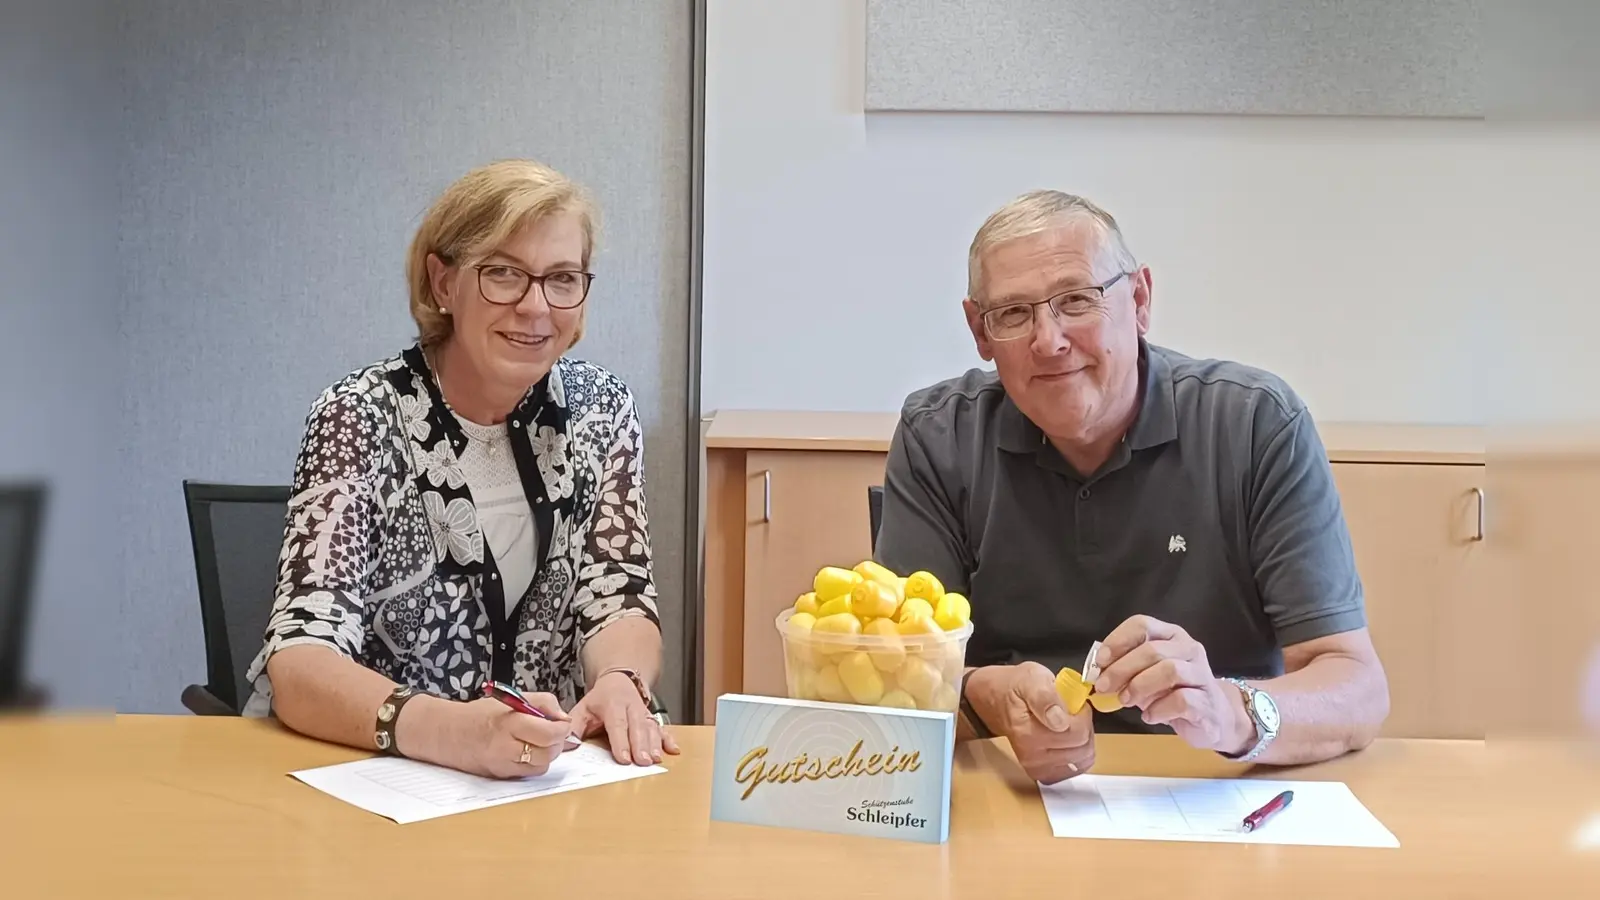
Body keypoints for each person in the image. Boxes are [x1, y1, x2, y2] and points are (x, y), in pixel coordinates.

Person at [873, 190, 1390, 784]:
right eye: (1014, 314)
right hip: (1012, 788)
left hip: (1217, 791)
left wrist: (1229, 711)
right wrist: (984, 694)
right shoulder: (940, 435)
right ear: (980, 333)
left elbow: (1355, 686)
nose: (1049, 339)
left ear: (1139, 300)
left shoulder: (1255, 425)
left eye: (1077, 300)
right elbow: (900, 685)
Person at [241, 159, 677, 779]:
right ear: (442, 283)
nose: (536, 307)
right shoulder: (358, 415)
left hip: (544, 781)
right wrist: (451, 731)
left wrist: (620, 678)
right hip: (379, 780)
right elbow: (301, 658)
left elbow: (619, 594)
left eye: (561, 278)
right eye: (502, 274)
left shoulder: (601, 411)